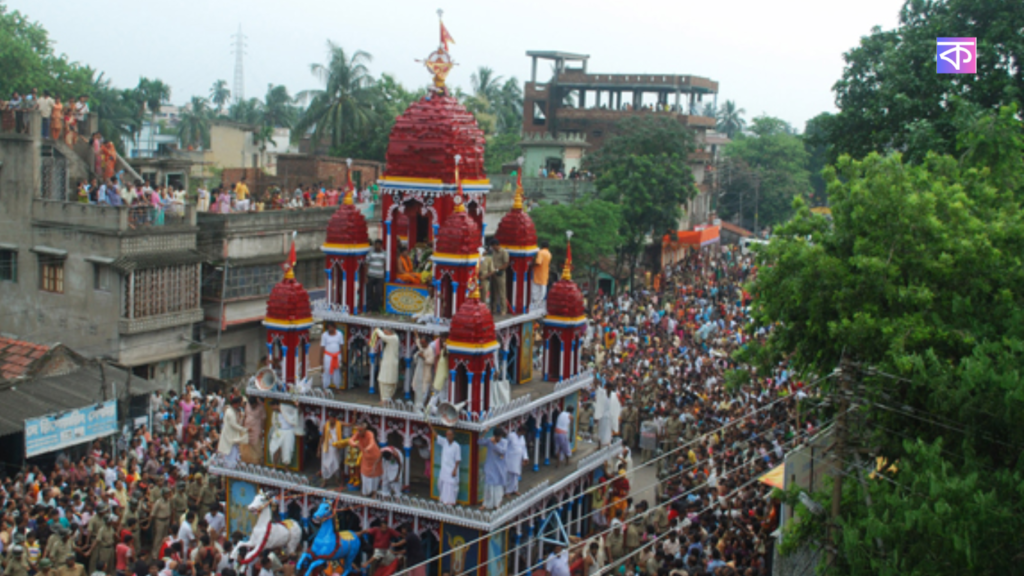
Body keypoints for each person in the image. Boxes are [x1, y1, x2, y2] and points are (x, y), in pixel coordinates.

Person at [347, 423, 383, 496]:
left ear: (365, 430)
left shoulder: (370, 434)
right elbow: (350, 440)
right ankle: (365, 492)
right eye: (358, 431)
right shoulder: (358, 434)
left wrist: (367, 448)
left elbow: (372, 443)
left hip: (374, 457)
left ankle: (374, 493)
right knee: (364, 474)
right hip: (366, 458)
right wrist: (354, 444)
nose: (359, 432)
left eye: (361, 431)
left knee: (375, 476)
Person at [478, 428, 508, 510]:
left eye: (499, 437)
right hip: (490, 467)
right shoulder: (490, 440)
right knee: (488, 486)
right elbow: (479, 442)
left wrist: (495, 444)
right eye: (496, 437)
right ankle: (486, 503)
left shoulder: (504, 442)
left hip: (499, 468)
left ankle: (497, 503)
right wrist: (484, 433)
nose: (497, 438)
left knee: (497, 487)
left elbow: (502, 451)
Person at [216, 396, 247, 469]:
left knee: (235, 451)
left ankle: (233, 464)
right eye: (239, 404)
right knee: (230, 453)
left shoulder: (235, 411)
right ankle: (229, 466)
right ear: (235, 404)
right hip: (229, 435)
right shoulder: (229, 411)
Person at [372, 328, 401, 404]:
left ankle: (386, 399)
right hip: (389, 362)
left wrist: (377, 330)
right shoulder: (394, 338)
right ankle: (387, 398)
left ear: (389, 332)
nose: (384, 334)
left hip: (390, 363)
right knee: (385, 380)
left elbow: (383, 337)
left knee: (386, 380)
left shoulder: (394, 338)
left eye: (386, 332)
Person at [268, 401, 299, 465]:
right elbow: (274, 423)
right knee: (274, 449)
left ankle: (286, 468)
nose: (272, 409)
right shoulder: (275, 413)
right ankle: (274, 467)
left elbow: (295, 410)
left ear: (276, 404)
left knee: (287, 451)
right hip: (279, 431)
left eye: (273, 407)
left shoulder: (286, 407)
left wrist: (297, 406)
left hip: (288, 432)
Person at [435, 429, 461, 505]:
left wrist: (455, 470)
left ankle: (451, 502)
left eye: (450, 435)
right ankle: (443, 500)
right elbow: (436, 436)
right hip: (444, 469)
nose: (448, 436)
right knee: (441, 484)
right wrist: (430, 426)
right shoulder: (444, 442)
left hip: (452, 469)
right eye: (447, 435)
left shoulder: (456, 446)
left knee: (450, 486)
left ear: (453, 435)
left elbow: (458, 459)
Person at [486, 238, 509, 315]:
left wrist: (497, 269)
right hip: (493, 274)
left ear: (496, 245)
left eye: (493, 246)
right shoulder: (494, 252)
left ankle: (503, 310)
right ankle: (493, 309)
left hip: (500, 274)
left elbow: (505, 265)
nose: (492, 248)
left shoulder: (504, 252)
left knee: (502, 292)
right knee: (493, 292)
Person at [319, 414, 343, 488]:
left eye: (332, 418)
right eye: (329, 418)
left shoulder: (339, 424)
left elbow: (350, 424)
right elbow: (322, 437)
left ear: (335, 419)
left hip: (335, 448)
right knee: (325, 464)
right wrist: (318, 449)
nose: (330, 420)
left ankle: (336, 480)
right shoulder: (325, 425)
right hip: (326, 448)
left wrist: (354, 416)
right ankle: (325, 481)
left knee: (336, 463)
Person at [504, 426, 528, 496]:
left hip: (518, 459)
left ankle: (515, 489)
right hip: (510, 458)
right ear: (522, 431)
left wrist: (525, 457)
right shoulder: (511, 436)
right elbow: (505, 445)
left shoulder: (522, 438)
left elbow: (524, 448)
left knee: (516, 475)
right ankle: (507, 491)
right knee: (509, 475)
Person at [320, 322, 344, 390]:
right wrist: (321, 358)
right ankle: (325, 387)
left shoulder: (339, 334)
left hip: (337, 356)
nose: (329, 328)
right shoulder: (324, 335)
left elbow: (341, 346)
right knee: (327, 371)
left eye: (331, 327)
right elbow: (322, 347)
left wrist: (343, 358)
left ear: (334, 327)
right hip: (328, 356)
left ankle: (337, 387)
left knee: (337, 372)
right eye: (328, 327)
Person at [365, 240, 386, 312]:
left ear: (381, 245)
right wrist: (366, 276)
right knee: (369, 292)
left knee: (379, 293)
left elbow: (385, 264)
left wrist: (385, 274)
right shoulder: (370, 254)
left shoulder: (384, 254)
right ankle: (369, 308)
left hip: (380, 276)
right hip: (371, 275)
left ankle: (376, 308)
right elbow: (366, 264)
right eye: (376, 245)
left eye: (379, 245)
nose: (377, 246)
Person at [532, 240, 552, 307]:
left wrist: (532, 265)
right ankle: (540, 302)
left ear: (541, 246)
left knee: (535, 288)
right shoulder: (549, 254)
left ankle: (535, 302)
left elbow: (538, 262)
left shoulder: (540, 252)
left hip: (538, 273)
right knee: (543, 288)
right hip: (545, 273)